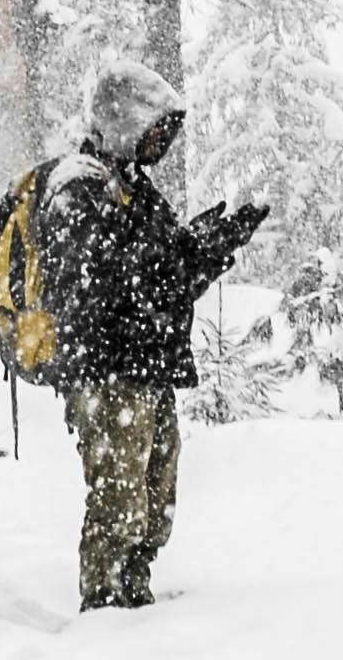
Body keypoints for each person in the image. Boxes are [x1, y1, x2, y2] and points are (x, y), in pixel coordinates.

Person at [36, 60, 264, 612]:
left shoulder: (133, 188)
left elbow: (162, 282)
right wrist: (180, 256)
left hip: (145, 367)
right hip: (108, 372)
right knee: (120, 502)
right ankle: (106, 612)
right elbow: (102, 284)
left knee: (156, 502)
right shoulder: (78, 187)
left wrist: (205, 250)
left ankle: (134, 600)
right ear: (125, 120)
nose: (162, 142)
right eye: (155, 128)